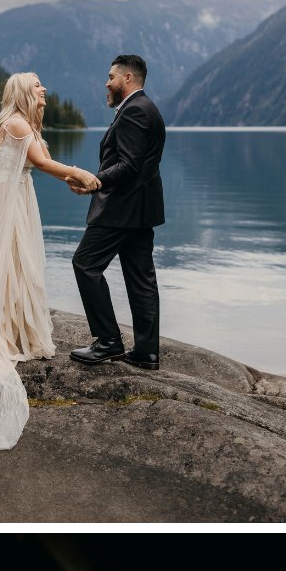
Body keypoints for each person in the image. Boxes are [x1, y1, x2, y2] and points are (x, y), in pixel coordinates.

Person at [0, 72, 101, 466]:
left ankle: (11, 327)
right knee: (8, 264)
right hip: (6, 206)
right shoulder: (16, 122)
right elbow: (42, 163)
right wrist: (76, 172)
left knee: (14, 266)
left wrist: (68, 179)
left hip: (11, 200)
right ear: (26, 92)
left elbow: (32, 165)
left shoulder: (21, 124)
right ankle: (3, 332)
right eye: (39, 84)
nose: (45, 88)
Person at [68, 54, 166, 371]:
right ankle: (146, 352)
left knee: (85, 263)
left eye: (111, 76)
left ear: (127, 78)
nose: (107, 82)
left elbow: (129, 165)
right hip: (140, 210)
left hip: (121, 209)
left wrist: (94, 182)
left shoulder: (136, 110)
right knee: (141, 279)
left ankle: (108, 342)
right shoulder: (145, 108)